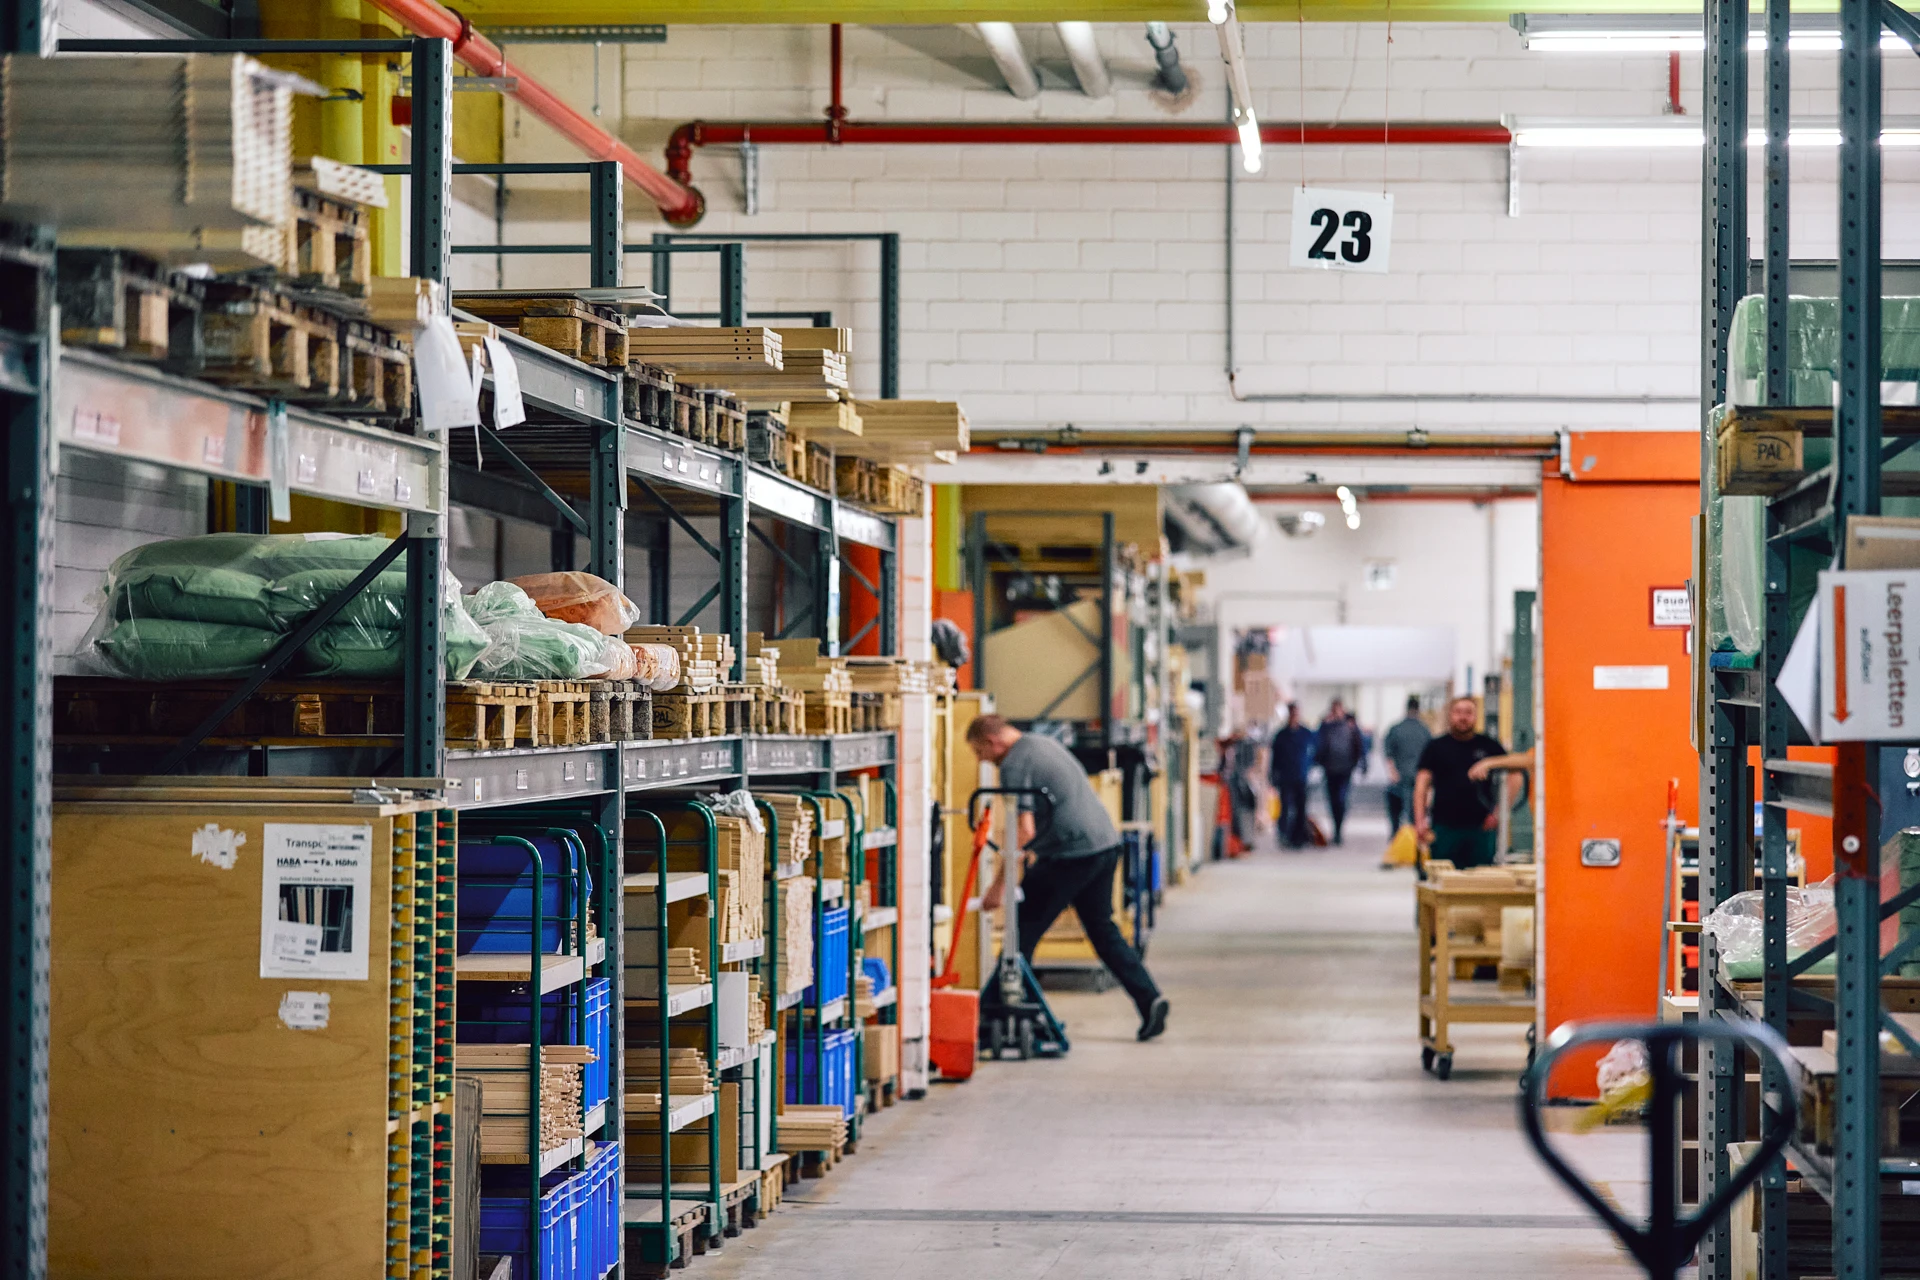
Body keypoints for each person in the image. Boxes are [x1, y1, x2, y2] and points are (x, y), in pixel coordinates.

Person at [968, 716, 1169, 1041]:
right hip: (1104, 845)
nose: (982, 760)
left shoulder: (1014, 763)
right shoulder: (1042, 744)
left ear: (993, 742)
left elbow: (1024, 830)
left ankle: (1021, 1017)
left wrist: (998, 886)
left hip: (1071, 855)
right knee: (1102, 930)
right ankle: (1150, 999)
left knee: (1021, 931)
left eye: (980, 752)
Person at [1413, 696, 1509, 869]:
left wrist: (1499, 811)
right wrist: (1420, 821)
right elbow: (1421, 785)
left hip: (1481, 828)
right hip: (1444, 827)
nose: (1463, 717)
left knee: (1481, 883)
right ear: (1450, 715)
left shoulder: (1489, 746)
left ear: (1476, 716)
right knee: (1443, 881)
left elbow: (1516, 771)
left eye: (1468, 712)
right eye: (1458, 712)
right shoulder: (1436, 747)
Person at [1315, 699, 1365, 845]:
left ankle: (1338, 829)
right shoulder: (1327, 727)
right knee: (1333, 801)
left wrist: (1361, 764)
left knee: (1341, 800)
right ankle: (1336, 829)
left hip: (1345, 769)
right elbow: (1320, 745)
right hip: (1330, 770)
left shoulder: (1350, 727)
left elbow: (1358, 746)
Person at [1268, 703, 1315, 850]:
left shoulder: (1306, 734)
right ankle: (1284, 834)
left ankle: (1299, 837)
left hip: (1301, 776)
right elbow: (1275, 758)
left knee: (1301, 807)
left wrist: (1310, 768)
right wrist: (1273, 775)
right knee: (1286, 806)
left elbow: (1314, 752)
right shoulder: (1281, 735)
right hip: (1285, 776)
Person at [1383, 696, 1433, 834]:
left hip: (1399, 777)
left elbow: (1388, 753)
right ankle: (1412, 838)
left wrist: (1393, 772)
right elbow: (1431, 756)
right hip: (1418, 778)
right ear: (1418, 709)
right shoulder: (1424, 730)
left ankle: (1396, 835)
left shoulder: (1396, 728)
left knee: (1396, 810)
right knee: (1414, 812)